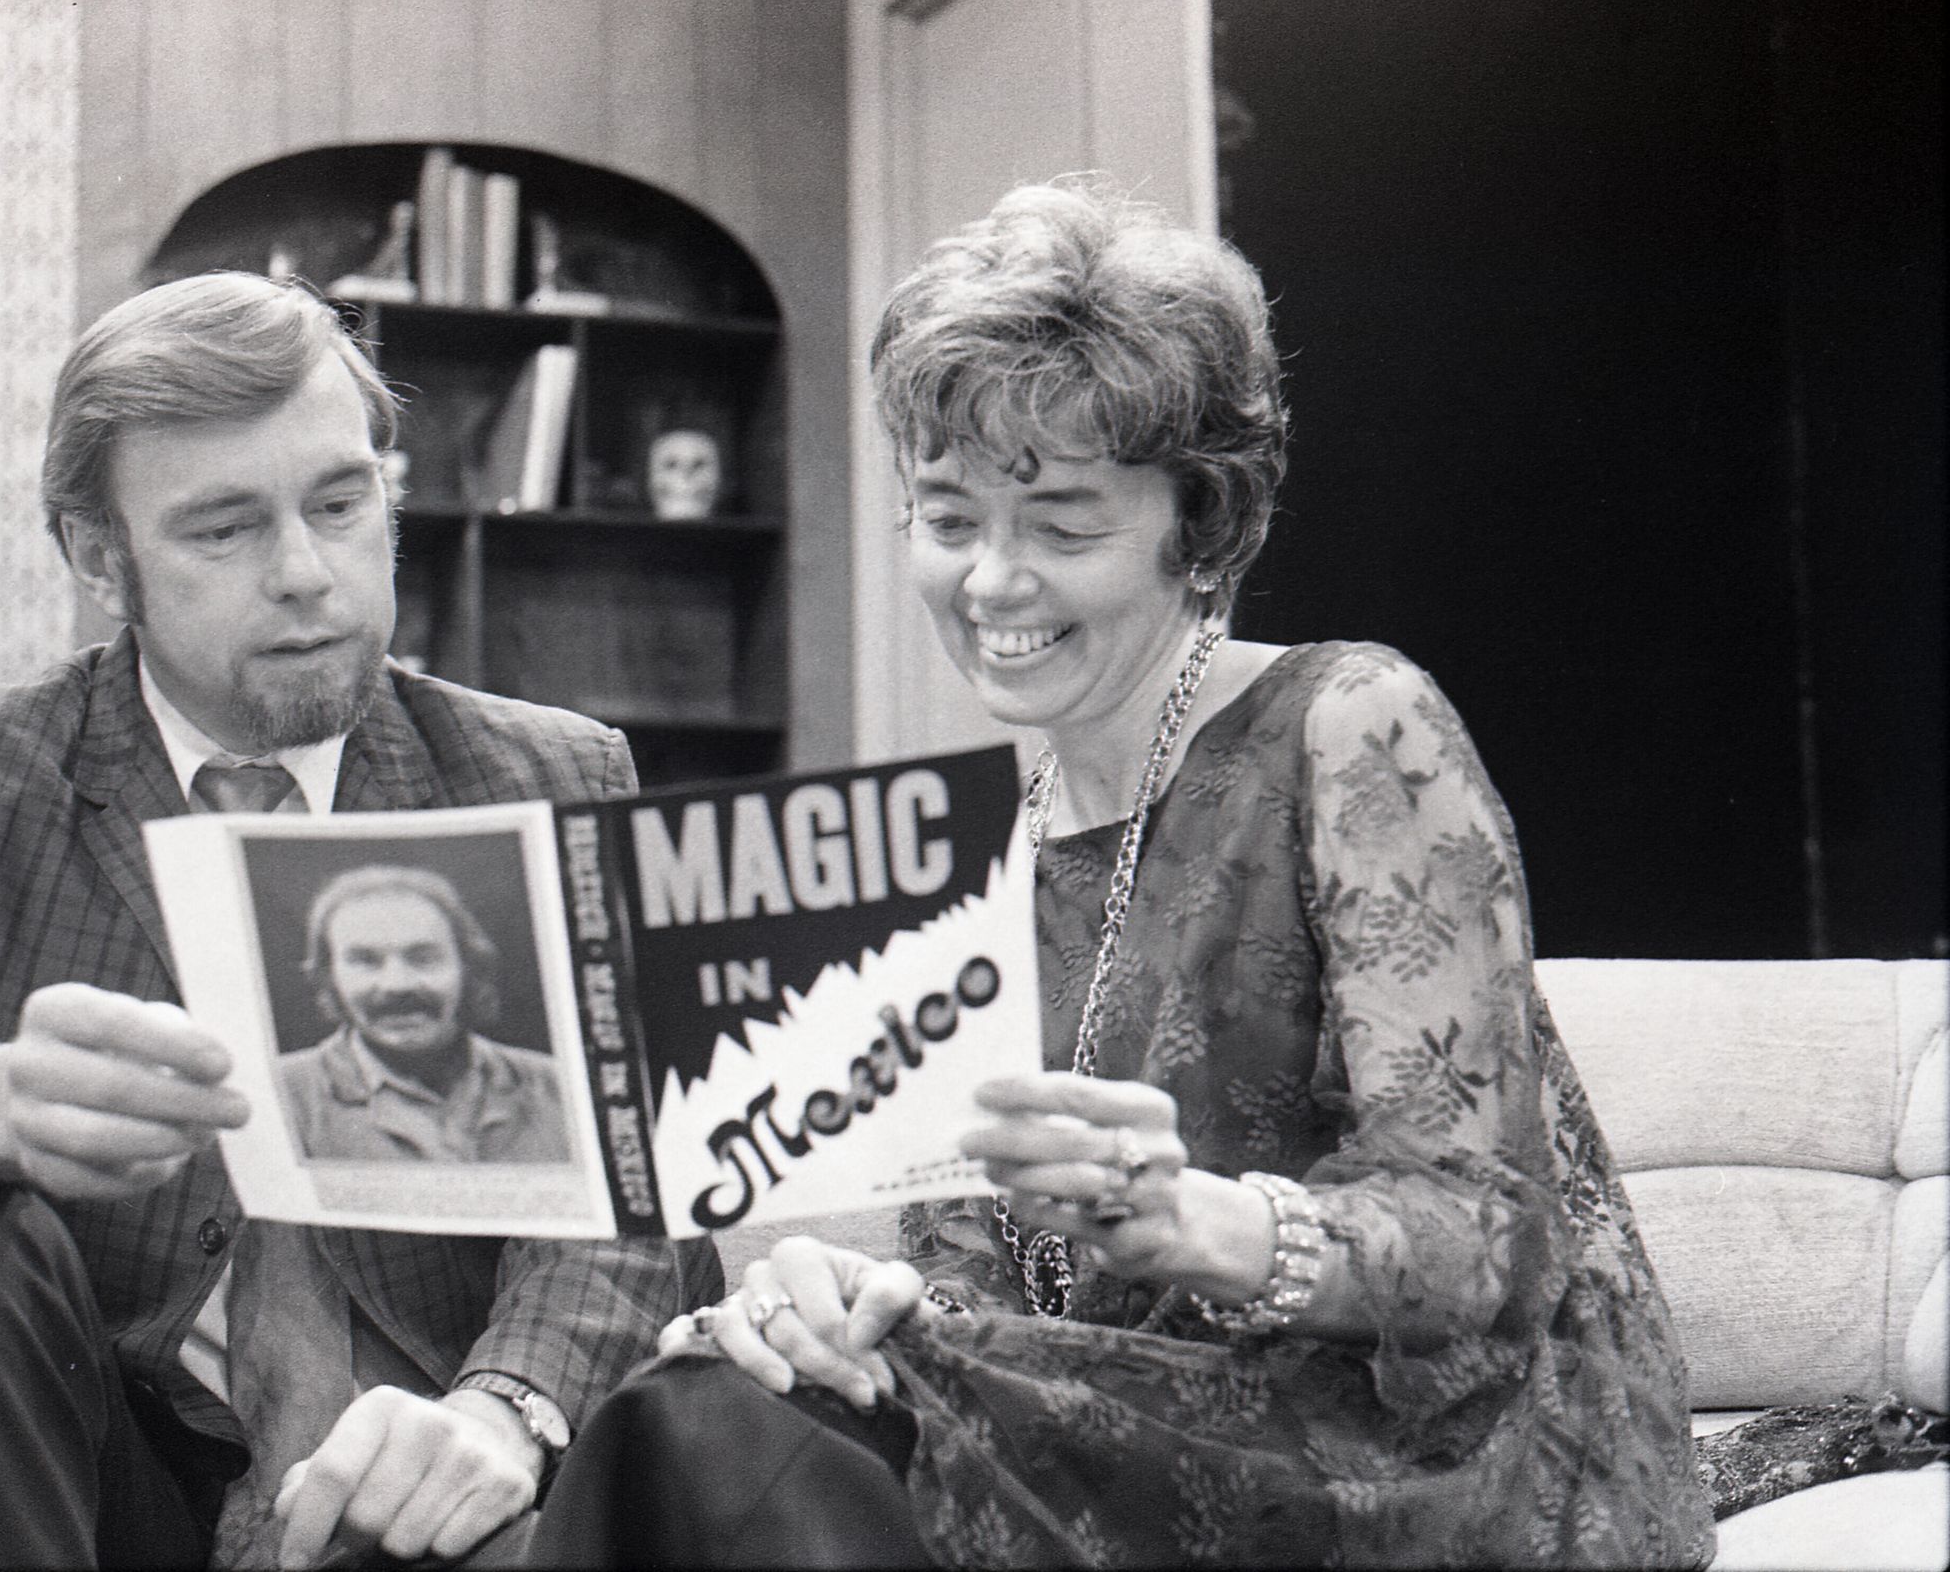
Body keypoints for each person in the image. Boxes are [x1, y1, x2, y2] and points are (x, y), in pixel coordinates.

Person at [527, 176, 1718, 1568]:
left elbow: (1480, 1241)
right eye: (949, 518)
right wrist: (860, 1303)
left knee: (713, 1431)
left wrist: (1197, 1223)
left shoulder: (1352, 726)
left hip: (1426, 1454)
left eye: (1062, 525)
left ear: (1197, 525)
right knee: (728, 1385)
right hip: (1132, 1430)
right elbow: (971, 1279)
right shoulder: (975, 850)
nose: (991, 581)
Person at [0, 272, 721, 1572]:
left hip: (416, 1465)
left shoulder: (549, 775)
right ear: (102, 560)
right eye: (224, 529)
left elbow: (641, 1187)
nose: (306, 575)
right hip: (92, 1462)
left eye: (341, 503)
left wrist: (508, 1408)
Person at [280, 864, 570, 1164]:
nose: (397, 985)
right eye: (365, 961)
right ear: (329, 976)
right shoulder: (281, 1096)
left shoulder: (559, 1087)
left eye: (423, 958)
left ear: (468, 966)